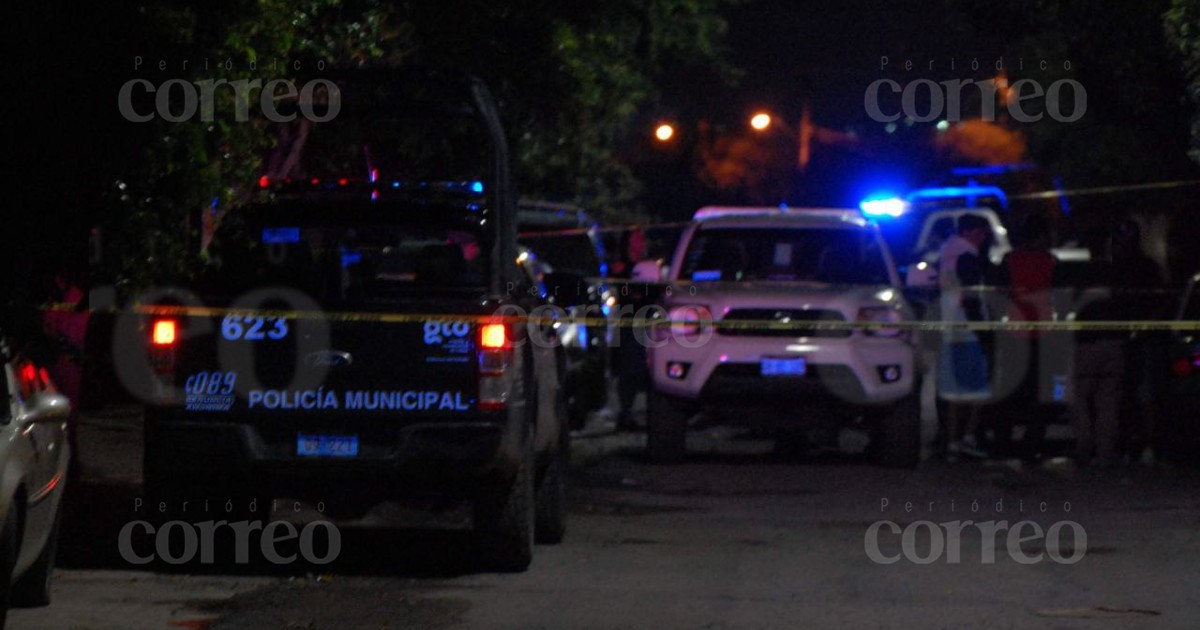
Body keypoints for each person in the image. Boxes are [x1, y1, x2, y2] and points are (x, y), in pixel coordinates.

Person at [994, 214, 1058, 461]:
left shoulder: (1010, 260)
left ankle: (1003, 442)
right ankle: (1032, 445)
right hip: (1042, 333)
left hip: (1015, 332)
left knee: (1009, 390)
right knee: (1039, 393)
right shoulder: (1050, 261)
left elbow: (999, 294)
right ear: (1040, 236)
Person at [937, 214, 994, 461]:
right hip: (968, 330)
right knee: (979, 390)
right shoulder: (967, 257)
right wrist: (983, 331)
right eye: (981, 233)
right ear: (970, 232)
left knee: (953, 391)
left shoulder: (947, 252)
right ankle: (968, 438)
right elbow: (969, 298)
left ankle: (952, 443)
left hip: (949, 328)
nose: (983, 239)